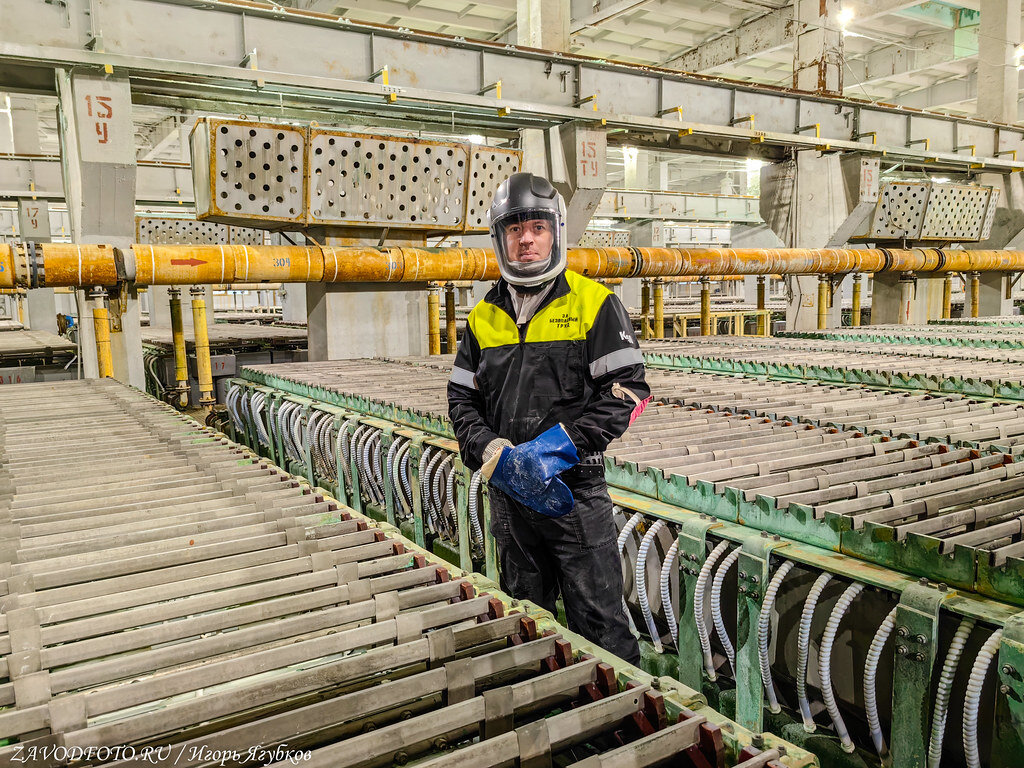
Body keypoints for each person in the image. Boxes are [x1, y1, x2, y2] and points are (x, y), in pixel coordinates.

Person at [446, 172, 650, 664]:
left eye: (536, 227)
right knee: (524, 621)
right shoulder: (482, 317)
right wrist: (492, 452)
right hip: (510, 496)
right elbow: (461, 401)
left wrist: (558, 449)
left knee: (599, 625)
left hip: (575, 495)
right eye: (514, 229)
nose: (526, 238)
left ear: (555, 231)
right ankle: (542, 713)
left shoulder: (595, 303)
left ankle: (611, 729)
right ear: (500, 239)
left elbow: (629, 392)